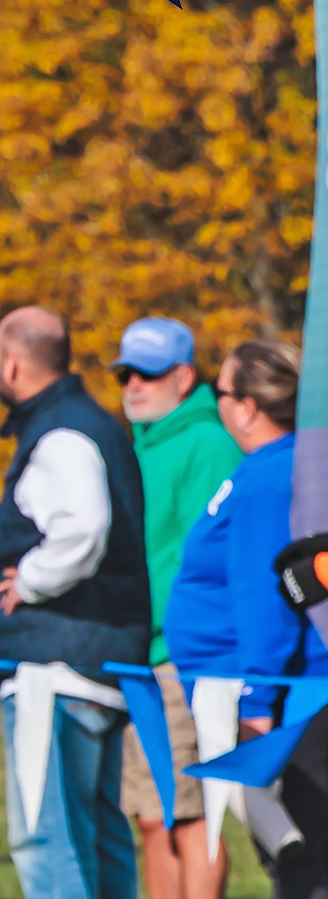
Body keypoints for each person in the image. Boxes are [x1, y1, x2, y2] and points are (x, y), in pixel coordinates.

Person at [0, 306, 149, 899]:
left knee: (49, 841)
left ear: (11, 364)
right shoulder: (93, 423)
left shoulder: (60, 432)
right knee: (100, 841)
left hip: (57, 671)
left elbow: (83, 528)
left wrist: (28, 580)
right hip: (95, 664)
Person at [167, 340, 328, 898]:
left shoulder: (269, 478)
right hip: (272, 688)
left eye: (222, 391)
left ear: (249, 406)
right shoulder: (275, 468)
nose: (218, 403)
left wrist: (257, 704)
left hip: (284, 696)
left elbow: (268, 597)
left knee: (305, 861)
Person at [110, 317, 240, 899]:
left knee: (189, 816)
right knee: (151, 817)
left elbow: (214, 563)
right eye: (125, 373)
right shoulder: (142, 444)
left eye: (150, 373)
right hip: (141, 657)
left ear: (184, 377)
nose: (134, 384)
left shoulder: (207, 443)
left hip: (182, 658)